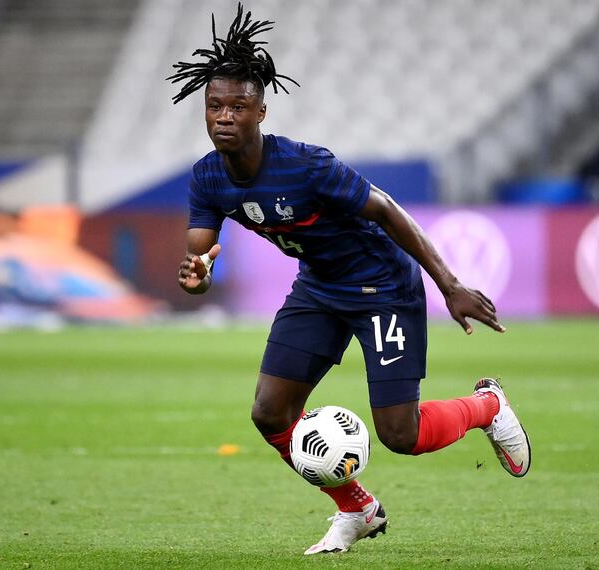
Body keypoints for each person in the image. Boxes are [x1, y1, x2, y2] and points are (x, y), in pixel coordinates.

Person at [171, 4, 531, 555]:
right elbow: (200, 265)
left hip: (383, 285)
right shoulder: (207, 177)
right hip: (319, 287)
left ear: (261, 111)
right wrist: (197, 277)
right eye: (214, 105)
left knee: (400, 436)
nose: (223, 116)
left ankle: (488, 407)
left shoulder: (307, 166)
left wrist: (448, 284)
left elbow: (386, 210)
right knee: (269, 414)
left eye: (237, 106)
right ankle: (359, 509)